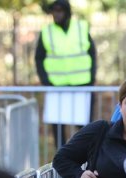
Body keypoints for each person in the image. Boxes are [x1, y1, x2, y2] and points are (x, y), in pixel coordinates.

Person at [35, 0, 97, 148]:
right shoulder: (47, 32)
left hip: (81, 86)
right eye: (54, 11)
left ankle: (85, 162)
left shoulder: (81, 28)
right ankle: (61, 164)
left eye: (59, 11)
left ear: (67, 13)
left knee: (83, 129)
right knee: (58, 130)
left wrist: (91, 79)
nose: (56, 14)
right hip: (57, 88)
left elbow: (92, 53)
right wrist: (45, 81)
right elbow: (39, 58)